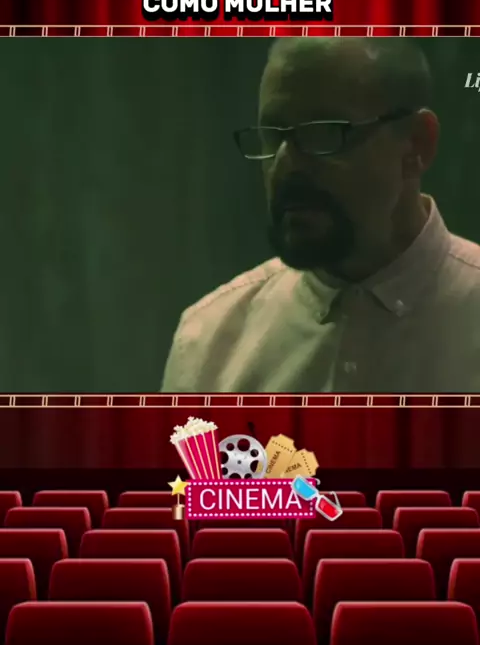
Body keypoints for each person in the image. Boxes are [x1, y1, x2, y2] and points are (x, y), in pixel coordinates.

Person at [161, 37, 480, 393]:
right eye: (272, 136)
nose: (284, 166)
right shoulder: (209, 342)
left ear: (417, 143)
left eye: (324, 133)